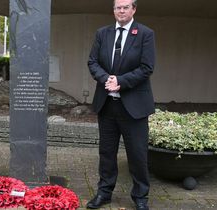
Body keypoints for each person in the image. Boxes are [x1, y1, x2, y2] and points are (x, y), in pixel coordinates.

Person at [86, 0, 155, 209]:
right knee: (106, 153)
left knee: (137, 154)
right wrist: (106, 78)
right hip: (107, 105)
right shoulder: (102, 33)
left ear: (134, 9)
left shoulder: (145, 34)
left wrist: (121, 82)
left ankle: (141, 197)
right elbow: (92, 62)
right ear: (113, 10)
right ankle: (104, 192)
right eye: (118, 7)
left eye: (126, 7)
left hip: (134, 107)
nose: (121, 10)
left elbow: (147, 67)